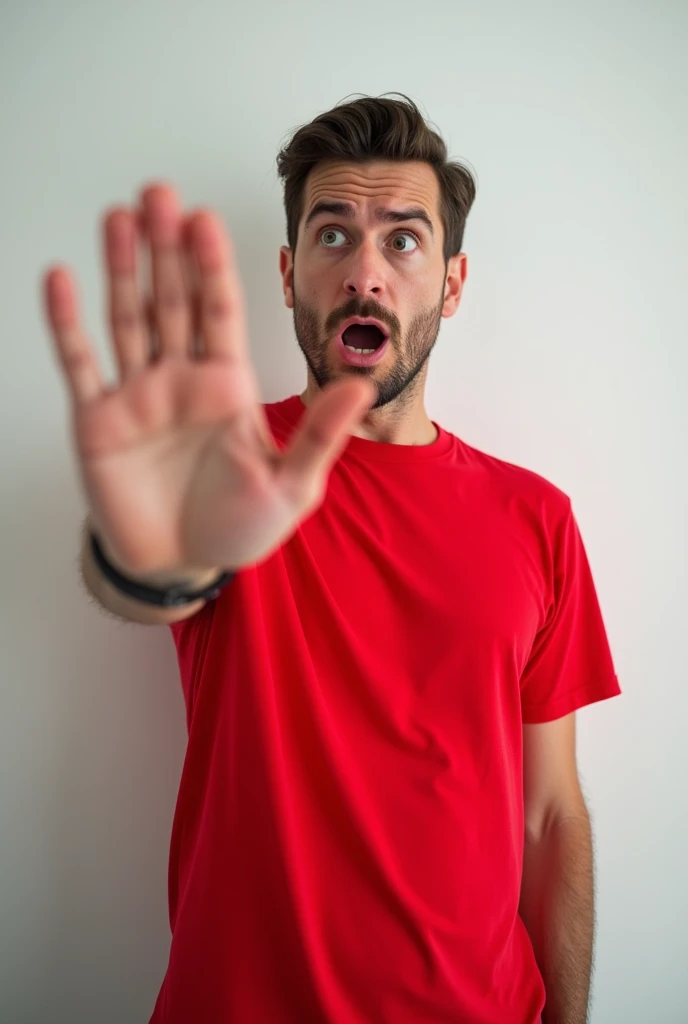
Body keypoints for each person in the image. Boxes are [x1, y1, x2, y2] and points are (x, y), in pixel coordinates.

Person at [42, 93, 621, 1024]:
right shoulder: (225, 469)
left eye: (402, 239)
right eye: (332, 235)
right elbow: (150, 573)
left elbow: (551, 815)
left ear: (454, 281)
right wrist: (146, 552)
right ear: (287, 273)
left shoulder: (537, 518)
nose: (365, 273)